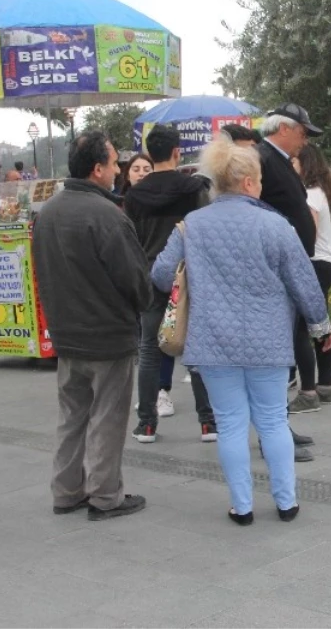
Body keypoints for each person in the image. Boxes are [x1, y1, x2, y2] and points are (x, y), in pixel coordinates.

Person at [152, 137, 331, 525]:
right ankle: (287, 502)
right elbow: (304, 282)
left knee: (231, 423)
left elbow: (161, 274)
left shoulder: (191, 227)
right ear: (249, 182)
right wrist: (320, 326)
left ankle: (242, 506)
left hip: (213, 342)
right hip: (269, 341)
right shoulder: (276, 225)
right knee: (272, 421)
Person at [33, 131, 152, 521]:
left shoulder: (49, 212)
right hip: (107, 335)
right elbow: (135, 280)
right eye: (115, 162)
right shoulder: (107, 216)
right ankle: (104, 495)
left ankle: (66, 491)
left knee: (73, 416)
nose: (118, 169)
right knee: (107, 417)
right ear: (98, 169)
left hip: (67, 334)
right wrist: (143, 302)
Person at [124, 126, 214, 443]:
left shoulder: (134, 194)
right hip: (190, 277)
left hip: (150, 277)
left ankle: (147, 423)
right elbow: (204, 233)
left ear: (150, 154)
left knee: (149, 349)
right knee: (197, 348)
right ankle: (208, 423)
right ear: (177, 152)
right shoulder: (193, 189)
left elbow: (130, 241)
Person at [257, 103, 325, 461]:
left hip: (286, 267)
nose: (305, 141)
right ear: (284, 128)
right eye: (303, 133)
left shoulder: (276, 159)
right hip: (273, 271)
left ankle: (278, 426)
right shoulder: (262, 159)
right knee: (275, 359)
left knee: (283, 354)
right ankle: (273, 434)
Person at [292, 143, 331, 411]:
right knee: (320, 324)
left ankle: (308, 391)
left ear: (305, 164)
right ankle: (325, 385)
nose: (290, 166)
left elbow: (306, 234)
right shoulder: (322, 192)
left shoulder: (310, 194)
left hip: (312, 263)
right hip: (325, 263)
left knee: (301, 326)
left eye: (294, 161)